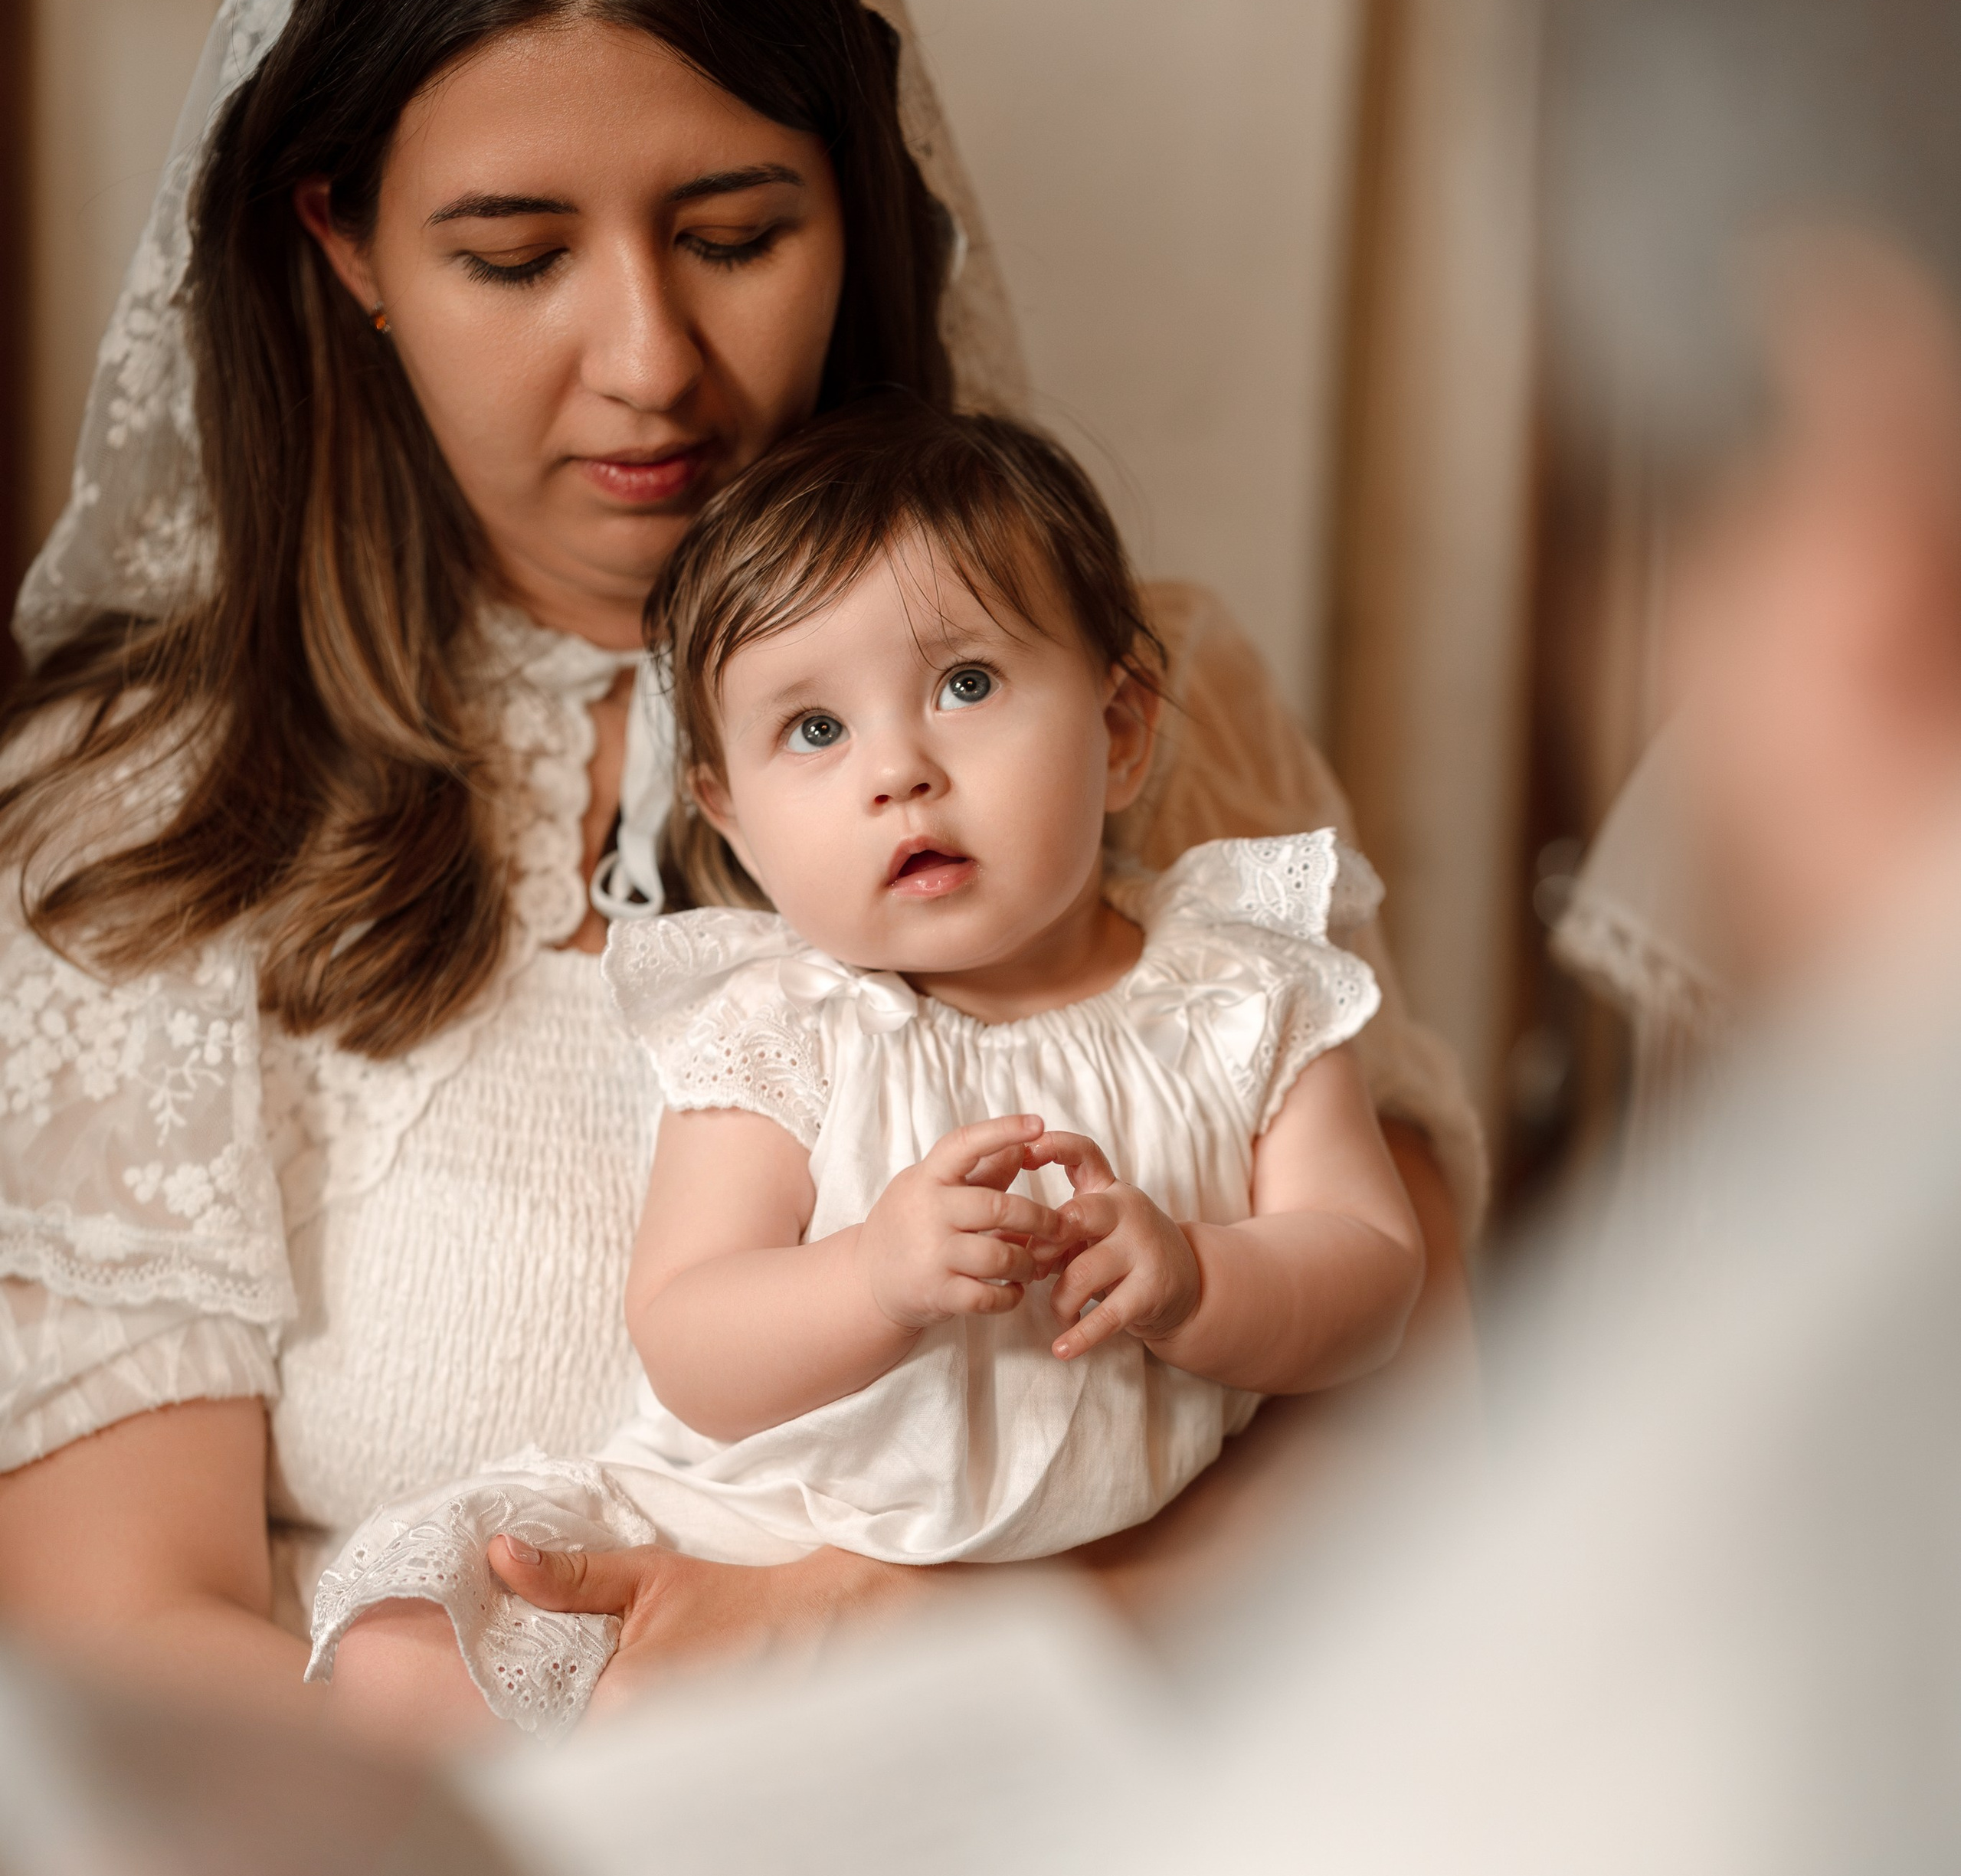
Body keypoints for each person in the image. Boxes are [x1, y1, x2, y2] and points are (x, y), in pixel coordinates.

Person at [0, 0, 1481, 1876]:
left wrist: (904, 1655)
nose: (649, 365)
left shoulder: (1139, 718)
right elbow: (114, 1635)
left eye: (735, 227)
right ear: (337, 250)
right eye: (514, 254)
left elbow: (1392, 1443)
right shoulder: (150, 819)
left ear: (867, 204)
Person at [311, 404, 1422, 1734]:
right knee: (405, 1651)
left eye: (966, 685)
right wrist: (873, 1279)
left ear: (1121, 729)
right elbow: (688, 1337)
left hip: (1104, 1585)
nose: (901, 772)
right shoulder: (784, 1027)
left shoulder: (1239, 993)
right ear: (733, 814)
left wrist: (1199, 1277)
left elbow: (1374, 1272)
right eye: (816, 731)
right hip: (747, 1535)